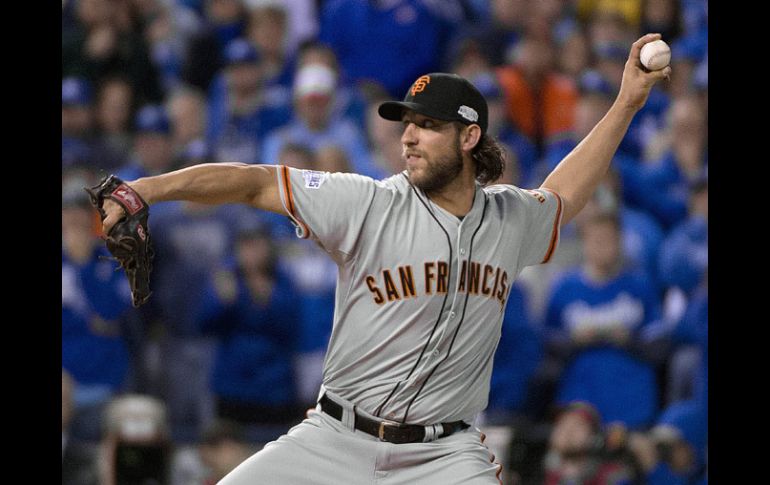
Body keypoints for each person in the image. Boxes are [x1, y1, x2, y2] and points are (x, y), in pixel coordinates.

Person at [99, 34, 670, 484]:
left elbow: (564, 197)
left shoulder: (509, 219)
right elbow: (252, 184)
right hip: (335, 438)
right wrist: (148, 188)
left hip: (445, 455)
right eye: (407, 124)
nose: (409, 137)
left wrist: (625, 103)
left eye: (427, 125)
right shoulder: (366, 202)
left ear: (469, 138)